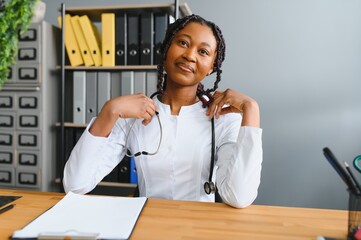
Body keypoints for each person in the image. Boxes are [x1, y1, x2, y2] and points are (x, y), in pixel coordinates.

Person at [63, 14, 263, 208]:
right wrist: (109, 110)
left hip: (200, 227)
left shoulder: (222, 119)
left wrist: (251, 111)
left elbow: (239, 196)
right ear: (167, 48)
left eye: (203, 52)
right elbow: (75, 185)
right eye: (183, 43)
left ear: (212, 66)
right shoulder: (132, 115)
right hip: (146, 224)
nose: (189, 55)